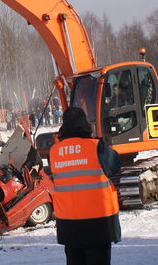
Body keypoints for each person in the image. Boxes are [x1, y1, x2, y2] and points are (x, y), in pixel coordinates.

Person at [49, 107, 121, 265]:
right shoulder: (96, 147)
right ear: (85, 124)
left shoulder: (54, 151)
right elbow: (115, 165)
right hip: (98, 222)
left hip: (68, 224)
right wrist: (105, 144)